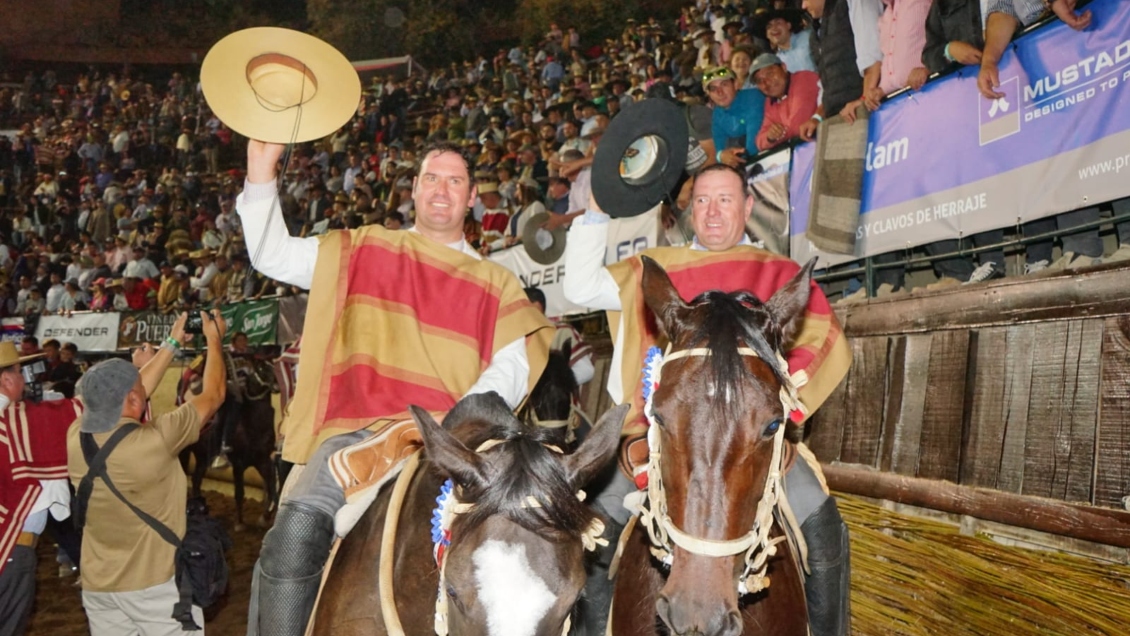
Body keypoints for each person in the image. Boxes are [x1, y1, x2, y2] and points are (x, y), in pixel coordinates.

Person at [237, 139, 552, 635]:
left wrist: (455, 428)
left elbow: (509, 371)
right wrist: (261, 168)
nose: (441, 190)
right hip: (358, 435)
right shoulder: (364, 247)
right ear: (414, 190)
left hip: (453, 443)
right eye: (431, 178)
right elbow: (271, 254)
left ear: (471, 197)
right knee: (294, 529)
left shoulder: (498, 281)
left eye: (454, 181)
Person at [563, 163, 852, 635]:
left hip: (754, 442)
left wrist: (772, 415)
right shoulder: (650, 269)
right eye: (701, 200)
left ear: (749, 206)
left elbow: (823, 338)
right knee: (596, 527)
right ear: (689, 209)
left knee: (820, 520)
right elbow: (576, 289)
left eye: (725, 200)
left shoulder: (777, 271)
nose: (712, 211)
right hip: (658, 440)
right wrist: (596, 208)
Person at [68, 312, 227, 636]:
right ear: (134, 398)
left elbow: (134, 394)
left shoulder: (75, 437)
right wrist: (214, 340)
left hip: (99, 587)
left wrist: (171, 343)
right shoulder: (156, 439)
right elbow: (213, 396)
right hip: (157, 586)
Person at [0, 341, 87, 636]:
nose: (25, 379)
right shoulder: (17, 419)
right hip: (10, 548)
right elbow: (100, 406)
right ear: (6, 379)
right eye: (18, 371)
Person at [523, 286, 594, 387]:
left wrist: (552, 384)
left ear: (537, 307)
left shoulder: (561, 332)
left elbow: (586, 370)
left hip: (560, 401)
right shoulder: (515, 340)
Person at [751, 54, 821, 151]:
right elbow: (759, 142)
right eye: (759, 81)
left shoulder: (803, 79)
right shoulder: (770, 101)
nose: (766, 82)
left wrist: (779, 135)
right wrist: (770, 136)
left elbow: (798, 126)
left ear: (783, 67)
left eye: (770, 74)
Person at [704, 66, 766, 168]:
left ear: (736, 84)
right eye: (713, 89)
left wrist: (735, 160)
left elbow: (754, 143)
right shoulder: (717, 113)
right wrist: (722, 156)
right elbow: (719, 149)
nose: (720, 92)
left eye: (724, 85)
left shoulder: (753, 98)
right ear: (709, 94)